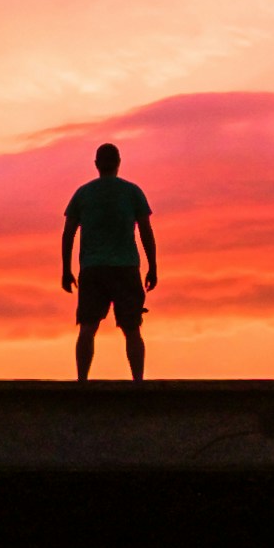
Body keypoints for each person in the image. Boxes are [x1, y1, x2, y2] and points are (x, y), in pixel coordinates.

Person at [60, 142, 157, 380]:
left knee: (87, 327)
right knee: (132, 328)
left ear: (96, 165)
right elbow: (146, 231)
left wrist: (65, 269)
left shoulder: (83, 193)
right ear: (119, 163)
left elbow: (68, 233)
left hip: (93, 269)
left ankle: (82, 380)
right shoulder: (133, 192)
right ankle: (138, 381)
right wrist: (153, 266)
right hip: (126, 268)